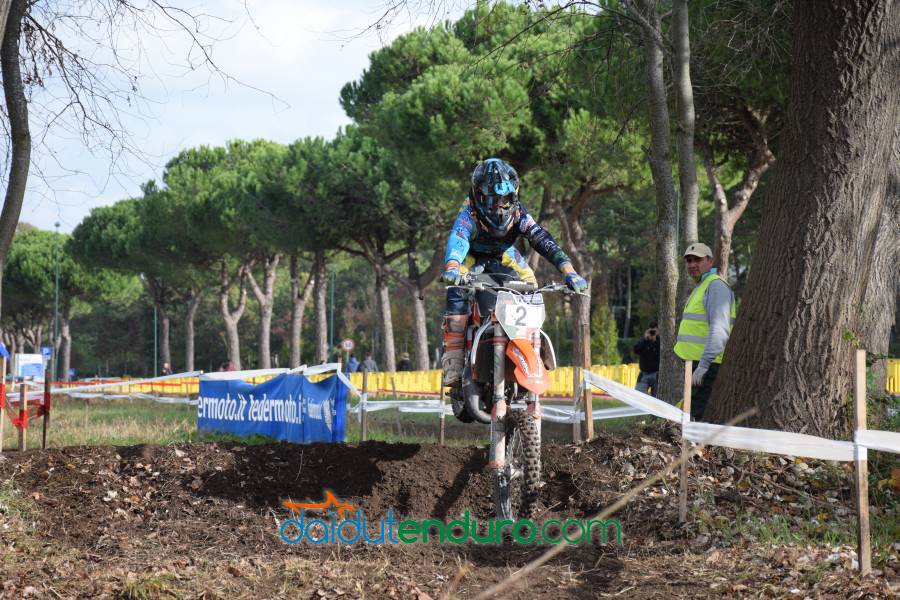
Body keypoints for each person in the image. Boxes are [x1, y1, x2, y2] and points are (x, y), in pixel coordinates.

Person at [440, 158, 588, 386]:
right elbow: (458, 240)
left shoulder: (519, 214)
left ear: (514, 196)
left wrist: (569, 271)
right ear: (478, 197)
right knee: (456, 288)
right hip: (470, 254)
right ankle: (454, 358)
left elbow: (543, 240)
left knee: (530, 285)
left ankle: (531, 343)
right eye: (491, 200)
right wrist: (452, 266)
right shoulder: (468, 213)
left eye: (505, 200)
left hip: (504, 253)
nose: (499, 206)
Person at [674, 242, 736, 421]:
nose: (692, 264)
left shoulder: (715, 286)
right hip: (696, 365)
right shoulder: (702, 286)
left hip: (707, 367)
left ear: (710, 261)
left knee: (696, 420)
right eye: (689, 261)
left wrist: (704, 365)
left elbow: (719, 329)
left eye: (698, 260)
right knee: (691, 418)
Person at [633, 321, 660, 396]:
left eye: (654, 331)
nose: (652, 333)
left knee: (657, 397)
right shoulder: (644, 341)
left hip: (656, 374)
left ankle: (651, 398)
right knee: (638, 394)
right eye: (651, 331)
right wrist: (645, 339)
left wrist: (657, 340)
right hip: (644, 373)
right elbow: (636, 350)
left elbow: (663, 353)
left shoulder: (660, 342)